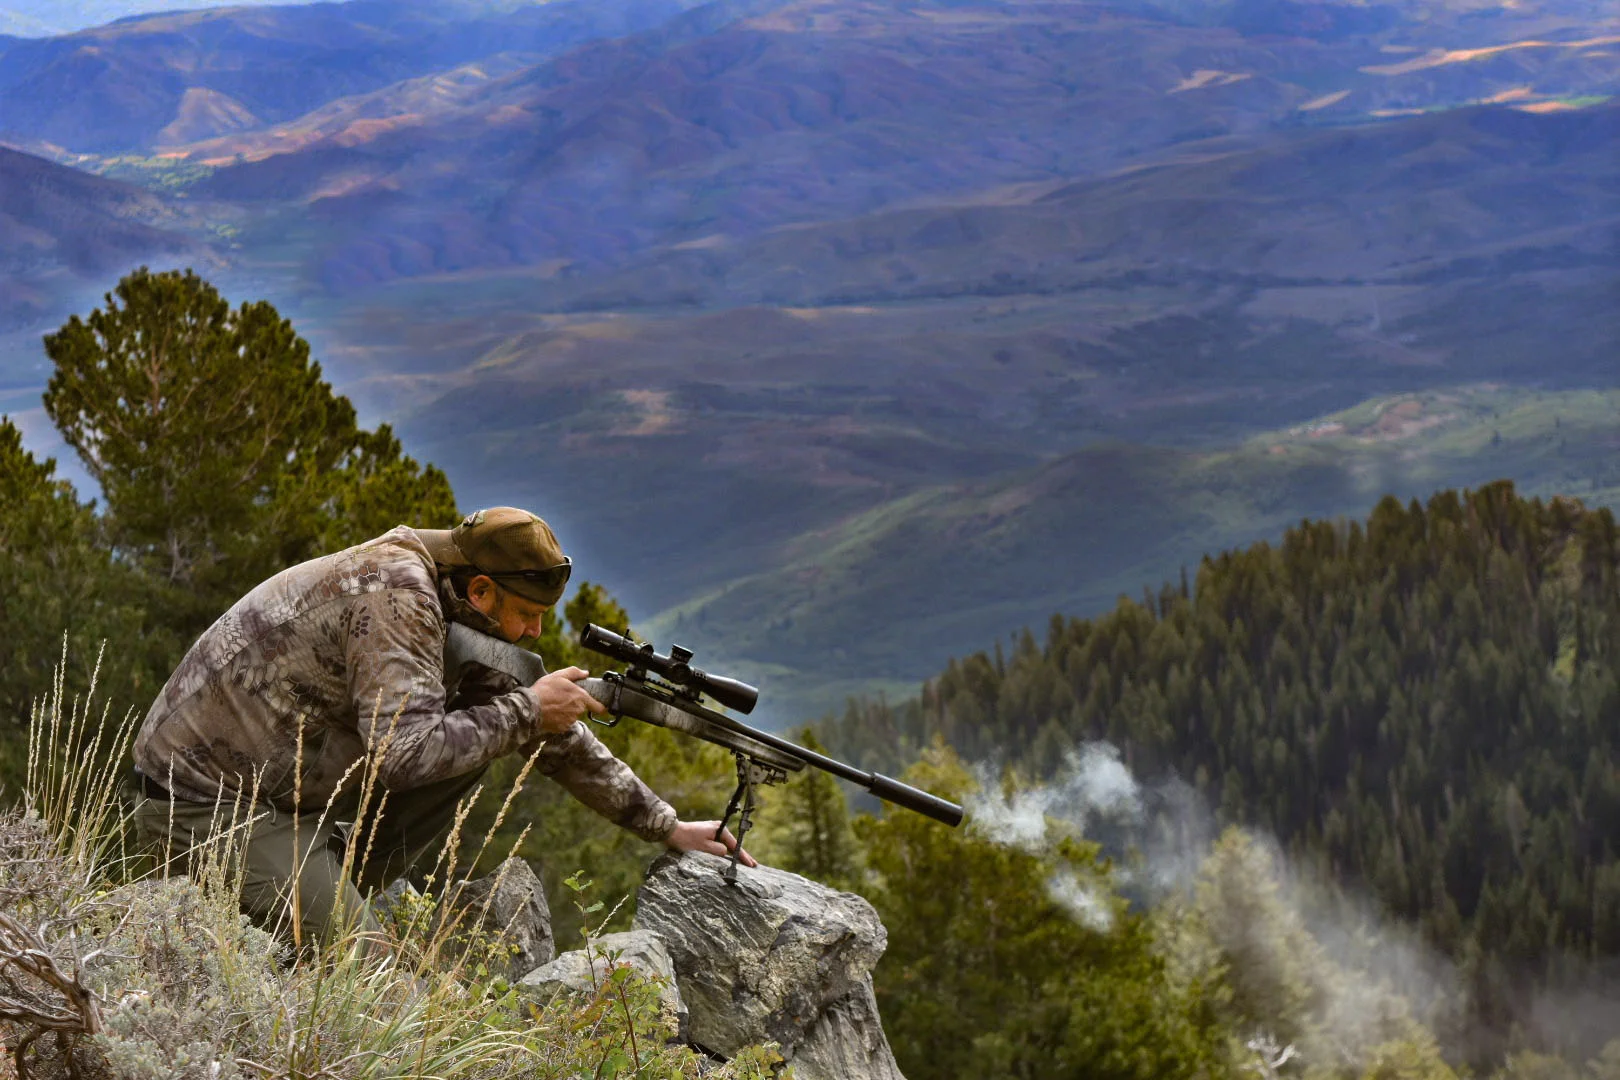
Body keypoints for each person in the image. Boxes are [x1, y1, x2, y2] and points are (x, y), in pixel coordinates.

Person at [130, 507, 754, 949]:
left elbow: (542, 725)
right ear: (481, 590)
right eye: (527, 615)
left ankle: (327, 895)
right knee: (366, 972)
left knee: (489, 734)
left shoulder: (449, 585)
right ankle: (322, 921)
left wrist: (665, 826)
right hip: (208, 807)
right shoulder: (398, 598)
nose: (535, 632)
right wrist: (529, 711)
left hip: (284, 796)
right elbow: (403, 756)